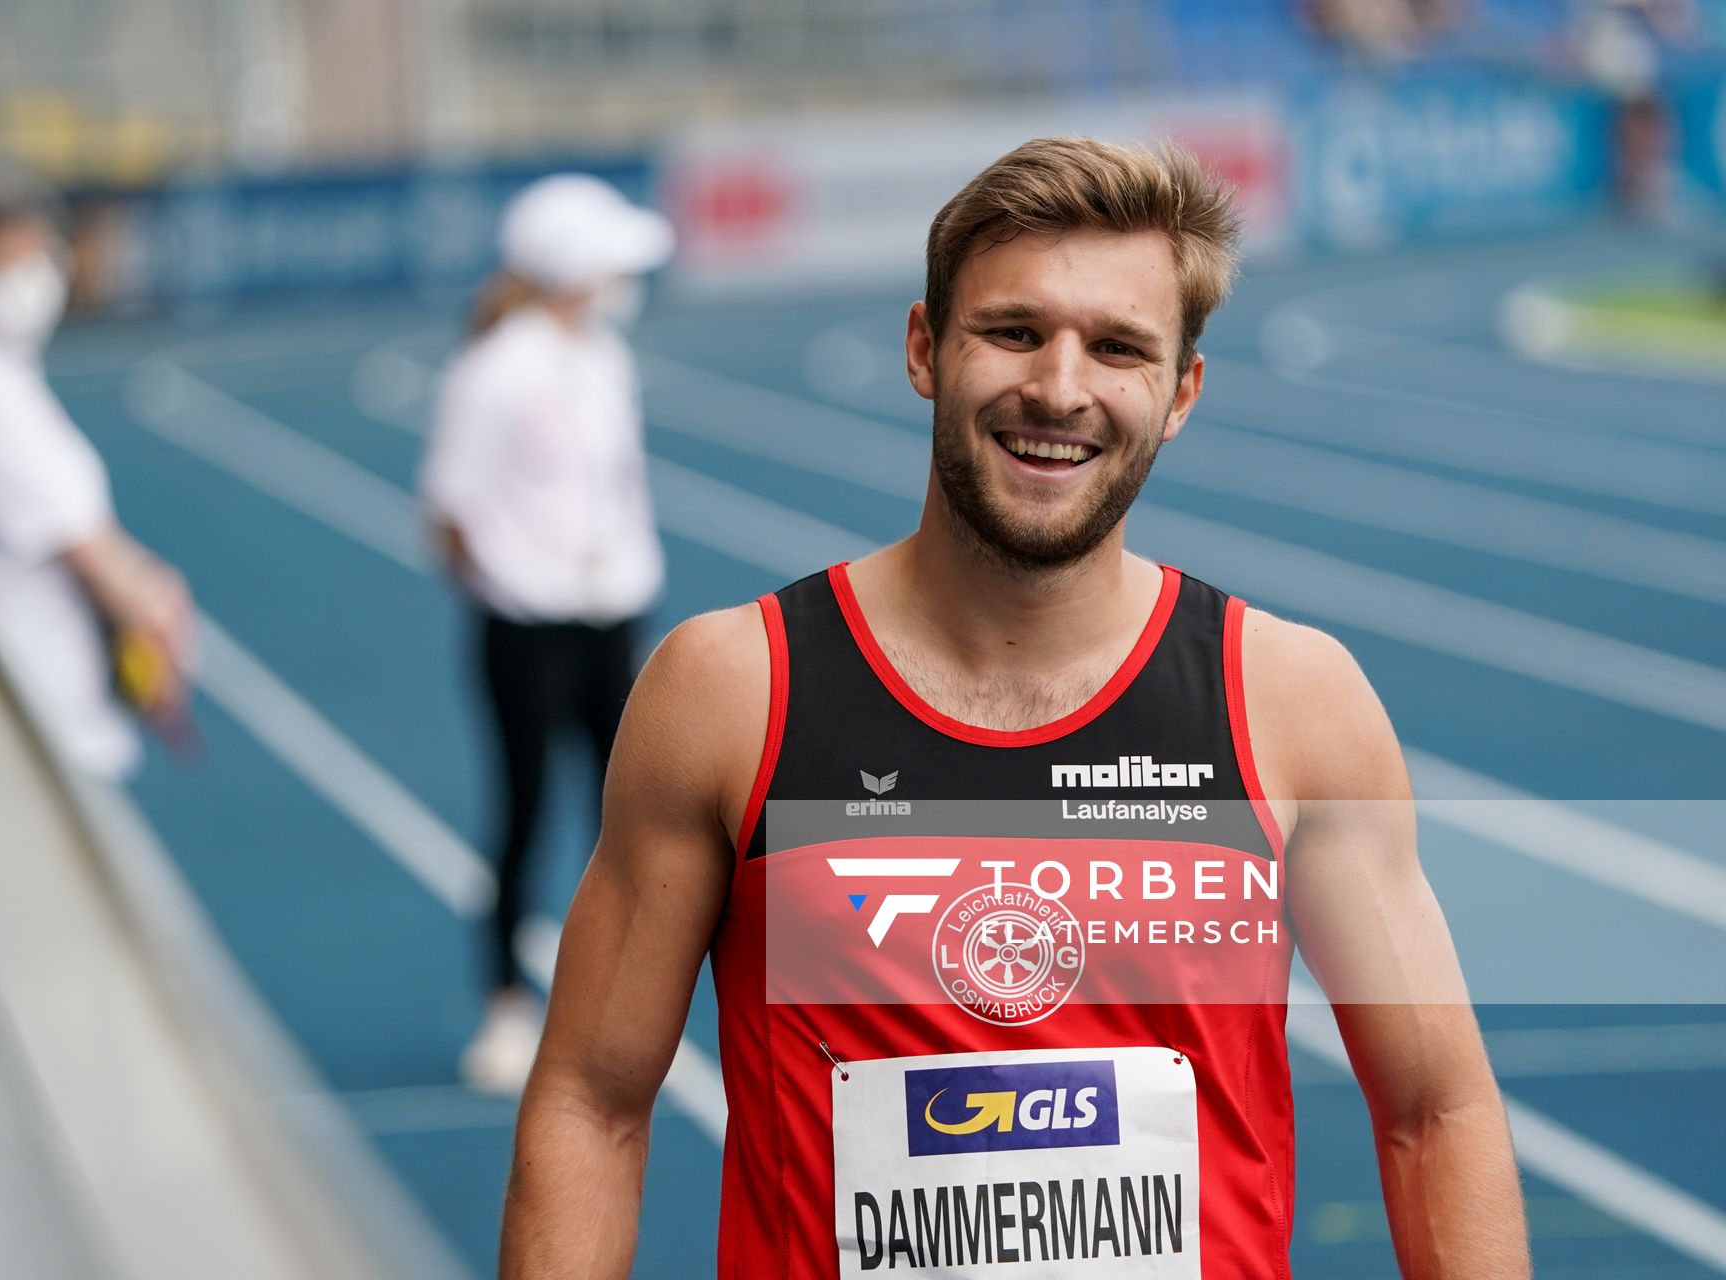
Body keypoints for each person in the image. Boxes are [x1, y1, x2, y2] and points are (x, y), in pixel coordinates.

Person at [502, 138, 1529, 1276]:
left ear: (1181, 391)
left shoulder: (1291, 700)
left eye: (1120, 347)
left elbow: (1436, 1109)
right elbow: (592, 1103)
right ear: (924, 347)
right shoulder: (733, 690)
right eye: (1014, 330)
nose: (1059, 387)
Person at [418, 174, 672, 1094]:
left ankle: (623, 996)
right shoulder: (498, 369)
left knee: (634, 809)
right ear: (571, 266)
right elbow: (449, 509)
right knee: (524, 811)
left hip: (612, 619)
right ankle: (503, 1008)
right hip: (528, 629)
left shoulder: (604, 356)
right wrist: (517, 585)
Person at [0, 187, 193, 780]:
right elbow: (94, 557)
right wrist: (156, 604)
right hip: (30, 728)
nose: (34, 278)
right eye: (12, 260)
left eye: (42, 257)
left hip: (24, 712)